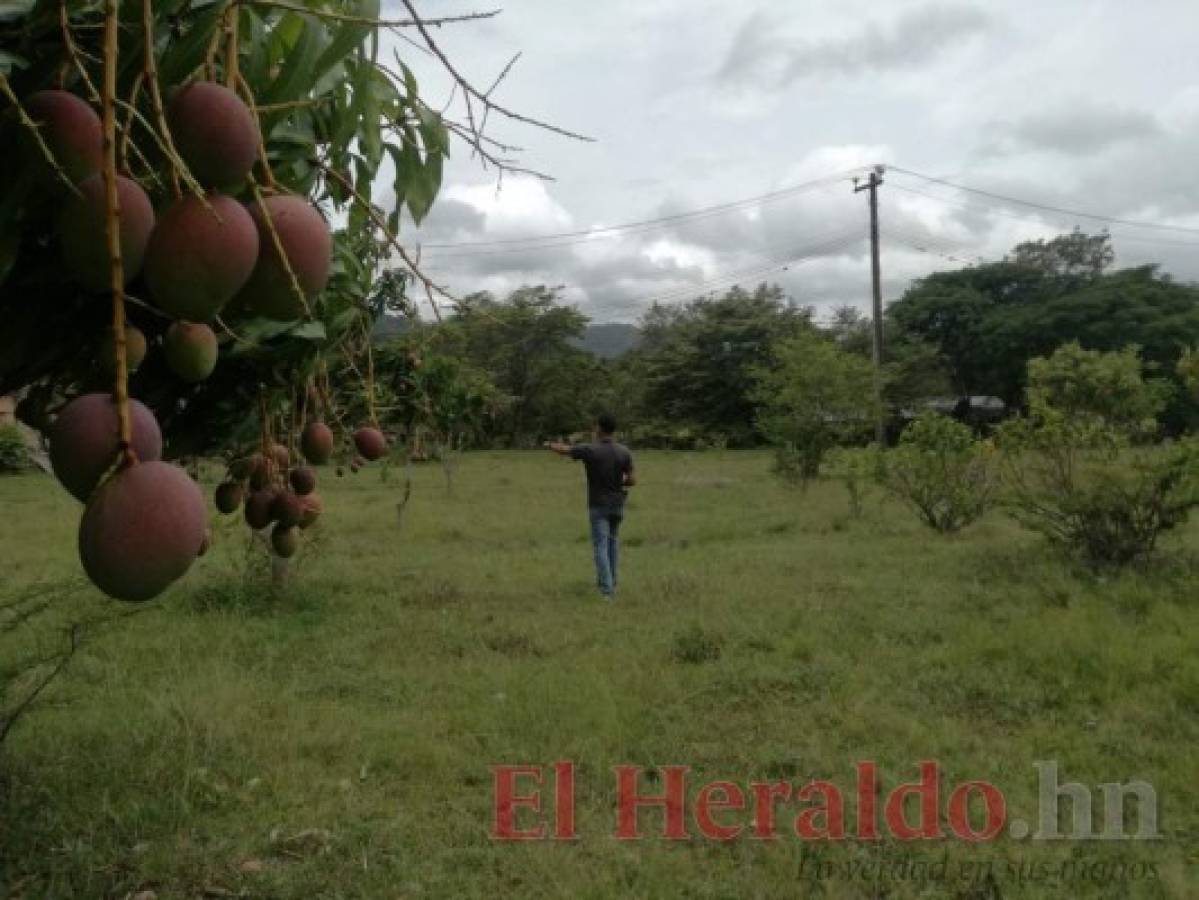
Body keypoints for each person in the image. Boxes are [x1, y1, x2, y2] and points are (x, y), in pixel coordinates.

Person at [545, 414, 636, 600]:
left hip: (598, 505)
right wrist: (618, 481)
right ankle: (612, 582)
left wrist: (549, 445)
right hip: (618, 504)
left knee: (601, 546)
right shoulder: (624, 452)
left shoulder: (590, 450)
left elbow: (566, 450)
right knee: (612, 543)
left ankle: (607, 591)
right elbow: (632, 480)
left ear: (600, 429)